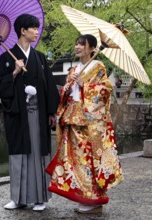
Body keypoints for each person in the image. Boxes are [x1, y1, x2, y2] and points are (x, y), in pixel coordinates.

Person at [46, 34, 123, 214]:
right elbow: (66, 93)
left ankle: (94, 199)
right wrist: (69, 86)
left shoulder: (98, 67)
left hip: (89, 121)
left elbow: (105, 90)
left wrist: (86, 86)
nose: (77, 47)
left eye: (82, 44)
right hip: (72, 117)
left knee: (88, 160)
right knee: (74, 160)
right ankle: (83, 196)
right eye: (77, 43)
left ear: (91, 49)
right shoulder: (74, 69)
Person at [0, 14, 59, 211]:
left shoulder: (39, 58)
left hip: (38, 114)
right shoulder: (6, 57)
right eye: (34, 28)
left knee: (38, 153)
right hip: (18, 115)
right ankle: (18, 198)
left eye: (37, 28)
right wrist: (13, 72)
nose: (37, 32)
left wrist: (51, 113)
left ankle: (40, 198)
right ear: (23, 31)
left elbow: (49, 86)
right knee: (19, 154)